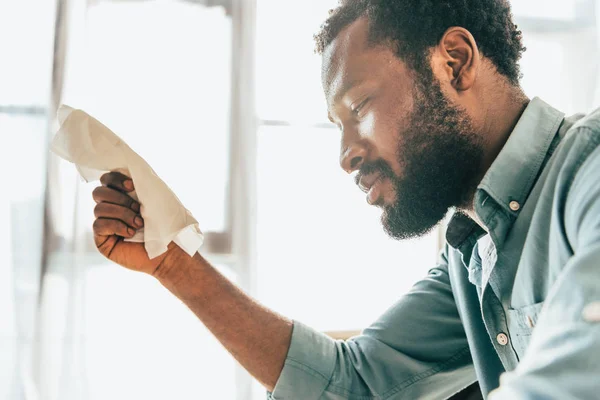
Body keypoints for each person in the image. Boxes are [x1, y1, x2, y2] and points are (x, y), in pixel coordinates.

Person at [90, 0, 600, 398]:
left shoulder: (589, 168)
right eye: (338, 126)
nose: (346, 155)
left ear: (454, 62)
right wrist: (175, 265)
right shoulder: (470, 253)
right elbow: (354, 384)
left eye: (359, 105)